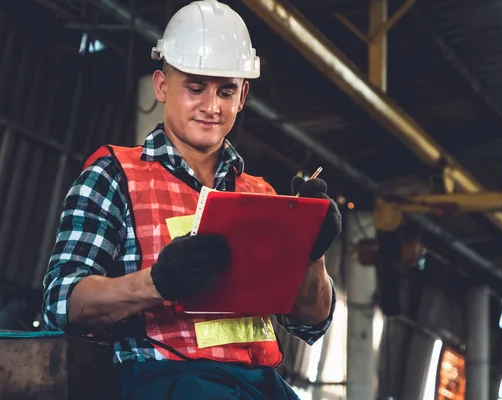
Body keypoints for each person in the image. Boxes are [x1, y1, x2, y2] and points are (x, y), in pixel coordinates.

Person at [41, 1, 341, 399]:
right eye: (196, 88)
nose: (212, 107)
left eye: (226, 91)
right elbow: (62, 300)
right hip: (165, 381)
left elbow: (310, 322)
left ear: (243, 95)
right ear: (162, 86)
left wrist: (312, 253)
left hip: (260, 385)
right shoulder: (114, 175)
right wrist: (157, 283)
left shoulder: (262, 195)